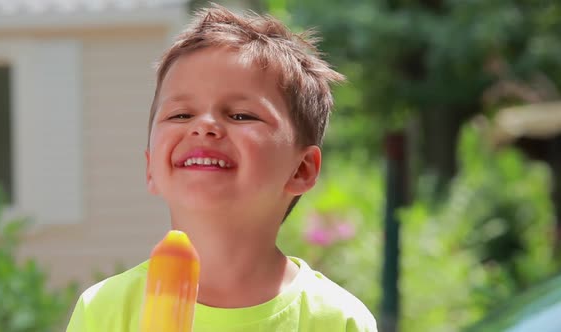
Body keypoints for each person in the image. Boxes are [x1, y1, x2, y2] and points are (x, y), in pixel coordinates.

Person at [66, 4, 377, 332]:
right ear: (151, 169)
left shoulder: (337, 319)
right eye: (181, 115)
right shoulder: (105, 310)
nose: (204, 126)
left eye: (241, 115)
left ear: (301, 169)